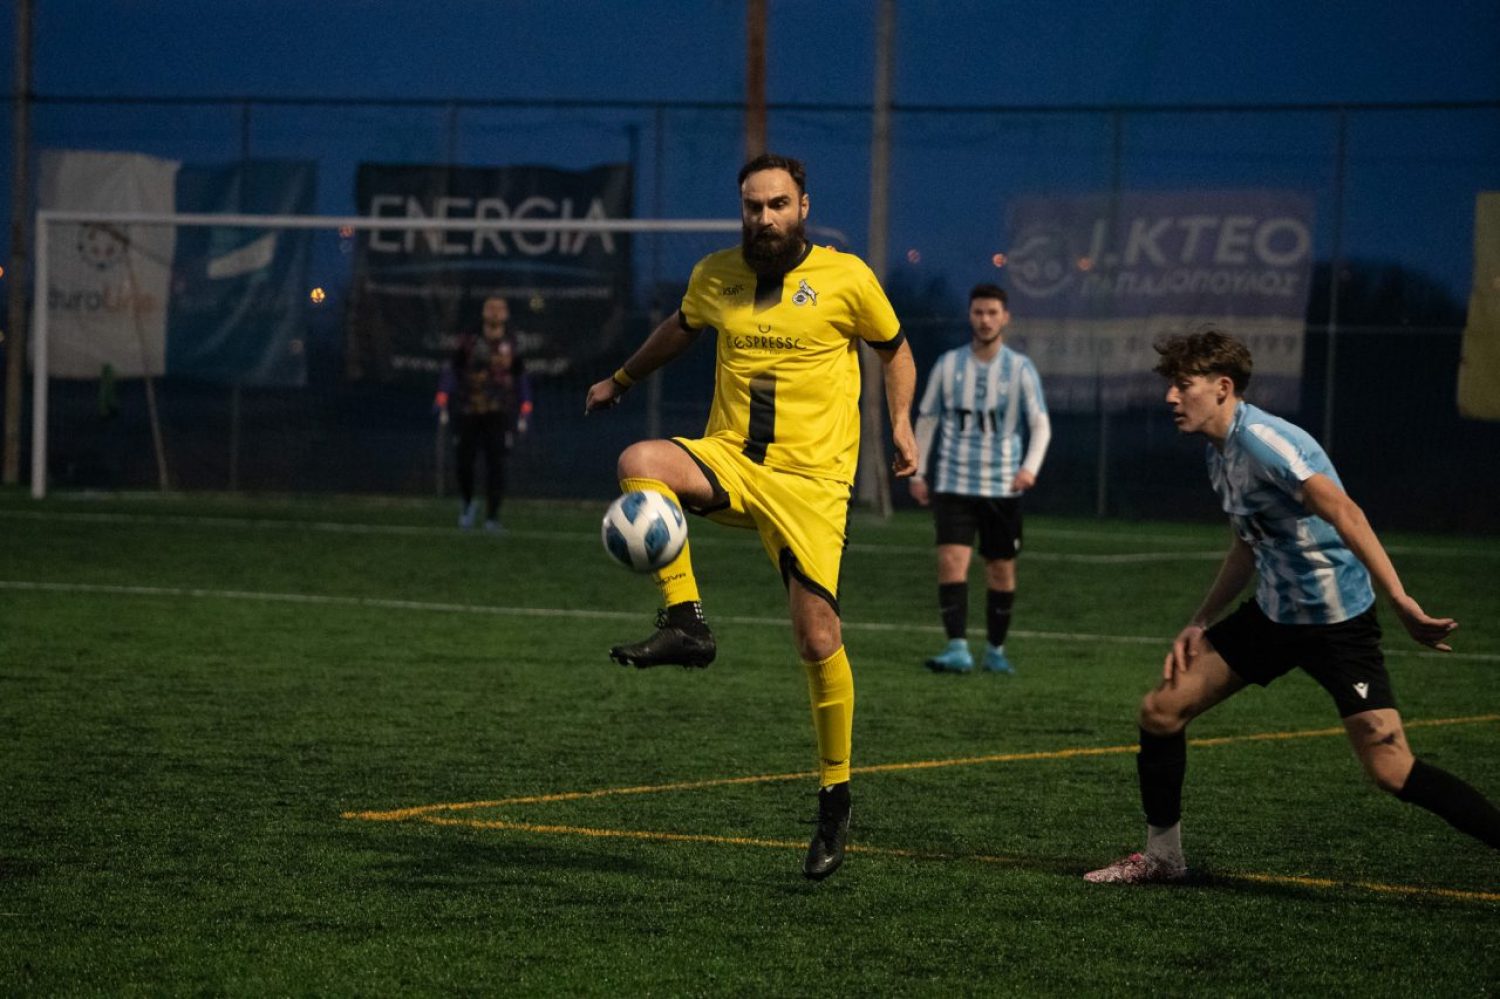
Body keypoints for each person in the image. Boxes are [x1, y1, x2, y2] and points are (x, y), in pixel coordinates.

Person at [584, 153, 918, 881]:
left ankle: (834, 798)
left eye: (777, 205)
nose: (764, 218)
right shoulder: (716, 275)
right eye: (753, 206)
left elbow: (895, 351)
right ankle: (687, 623)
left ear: (803, 207)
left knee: (817, 637)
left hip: (812, 485)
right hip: (733, 460)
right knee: (640, 459)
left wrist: (900, 424)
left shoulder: (846, 278)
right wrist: (622, 378)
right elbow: (681, 327)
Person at [1085, 329, 1500, 884]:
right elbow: (1246, 545)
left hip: (1337, 625)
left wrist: (1400, 599)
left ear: (1222, 387)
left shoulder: (1265, 442)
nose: (1171, 397)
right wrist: (1200, 621)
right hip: (1274, 617)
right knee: (1161, 710)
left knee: (1391, 768)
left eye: (1183, 385)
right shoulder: (1219, 454)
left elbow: (1346, 512)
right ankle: (1164, 858)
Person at [910, 283, 1050, 675]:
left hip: (1002, 486)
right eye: (978, 312)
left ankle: (995, 650)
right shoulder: (948, 365)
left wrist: (1029, 468)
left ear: (1005, 318)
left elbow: (1040, 424)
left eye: (992, 313)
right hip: (954, 482)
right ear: (969, 316)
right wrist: (919, 472)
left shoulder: (1020, 369)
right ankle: (957, 649)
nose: (985, 320)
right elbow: (928, 419)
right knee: (951, 561)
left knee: (1000, 568)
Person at [436, 296, 533, 531]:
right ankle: (468, 504)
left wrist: (526, 403)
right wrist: (443, 394)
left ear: (506, 314)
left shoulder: (512, 342)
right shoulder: (469, 340)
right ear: (483, 312)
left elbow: (521, 376)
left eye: (500, 309)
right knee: (464, 462)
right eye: (491, 308)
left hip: (499, 412)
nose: (495, 312)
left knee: (496, 464)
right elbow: (453, 369)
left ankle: (492, 516)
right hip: (468, 410)